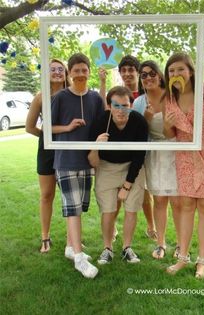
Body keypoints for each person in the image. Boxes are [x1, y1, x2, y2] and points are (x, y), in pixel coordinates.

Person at [164, 52, 204, 278]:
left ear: (190, 71)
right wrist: (167, 124)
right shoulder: (170, 98)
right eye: (171, 71)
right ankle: (183, 257)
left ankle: (202, 260)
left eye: (180, 69)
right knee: (186, 205)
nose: (176, 74)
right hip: (185, 158)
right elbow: (169, 134)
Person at [51, 53, 104, 279]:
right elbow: (48, 129)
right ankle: (79, 258)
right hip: (65, 160)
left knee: (79, 207)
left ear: (88, 72)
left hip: (87, 161)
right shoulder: (60, 97)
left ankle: (70, 247)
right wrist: (68, 127)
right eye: (76, 70)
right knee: (72, 208)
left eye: (84, 70)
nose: (80, 74)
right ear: (69, 73)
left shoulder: (94, 98)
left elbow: (102, 123)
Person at [88, 86, 148, 264]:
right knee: (108, 210)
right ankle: (107, 248)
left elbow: (139, 157)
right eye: (116, 105)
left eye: (125, 105)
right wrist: (96, 146)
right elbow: (93, 161)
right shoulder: (101, 121)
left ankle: (127, 247)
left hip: (132, 167)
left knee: (131, 209)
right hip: (106, 167)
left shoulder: (139, 121)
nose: (121, 110)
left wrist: (127, 185)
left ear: (131, 105)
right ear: (109, 106)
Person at [99, 55, 156, 240]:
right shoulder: (117, 95)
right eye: (123, 70)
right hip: (119, 155)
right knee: (115, 193)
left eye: (131, 70)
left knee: (143, 192)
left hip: (141, 150)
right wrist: (102, 82)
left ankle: (151, 226)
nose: (127, 73)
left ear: (137, 73)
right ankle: (112, 227)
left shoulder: (143, 95)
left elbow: (143, 125)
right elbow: (105, 113)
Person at [133, 60, 181, 259]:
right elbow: (135, 133)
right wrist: (145, 118)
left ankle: (180, 244)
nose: (148, 77)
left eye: (152, 73)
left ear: (160, 75)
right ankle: (161, 243)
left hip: (176, 151)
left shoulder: (173, 95)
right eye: (143, 75)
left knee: (177, 202)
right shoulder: (139, 102)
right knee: (159, 200)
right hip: (154, 154)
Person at [26, 58, 69, 253]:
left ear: (66, 73)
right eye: (53, 69)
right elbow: (29, 127)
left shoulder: (72, 95)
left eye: (61, 69)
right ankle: (45, 238)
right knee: (46, 195)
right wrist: (47, 137)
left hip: (68, 149)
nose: (57, 72)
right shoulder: (40, 97)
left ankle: (72, 238)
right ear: (46, 73)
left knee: (69, 195)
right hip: (47, 151)